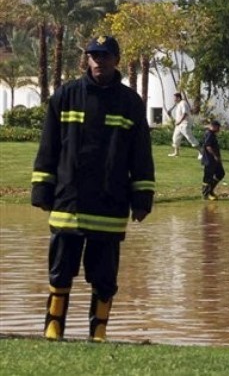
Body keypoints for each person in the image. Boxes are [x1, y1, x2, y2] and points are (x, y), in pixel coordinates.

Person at [31, 35, 155, 342]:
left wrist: (142, 198)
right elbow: (49, 146)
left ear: (116, 60)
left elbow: (141, 155)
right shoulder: (66, 95)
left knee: (104, 277)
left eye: (106, 55)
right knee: (60, 271)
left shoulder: (130, 103)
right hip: (68, 202)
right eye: (94, 55)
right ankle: (54, 327)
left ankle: (98, 332)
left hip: (109, 205)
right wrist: (42, 188)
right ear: (87, 59)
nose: (100, 61)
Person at [168, 92, 201, 159]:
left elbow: (185, 113)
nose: (174, 99)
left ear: (178, 98)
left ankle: (201, 153)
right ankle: (176, 153)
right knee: (175, 138)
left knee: (190, 138)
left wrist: (179, 121)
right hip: (179, 125)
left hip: (184, 124)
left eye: (175, 98)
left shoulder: (183, 103)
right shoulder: (179, 104)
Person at [201, 120, 225, 200]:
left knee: (220, 173)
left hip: (215, 160)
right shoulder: (209, 134)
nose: (219, 129)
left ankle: (210, 190)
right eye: (218, 127)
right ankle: (206, 194)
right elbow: (208, 146)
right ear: (214, 126)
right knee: (208, 177)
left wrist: (218, 158)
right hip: (209, 160)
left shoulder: (212, 134)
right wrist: (214, 156)